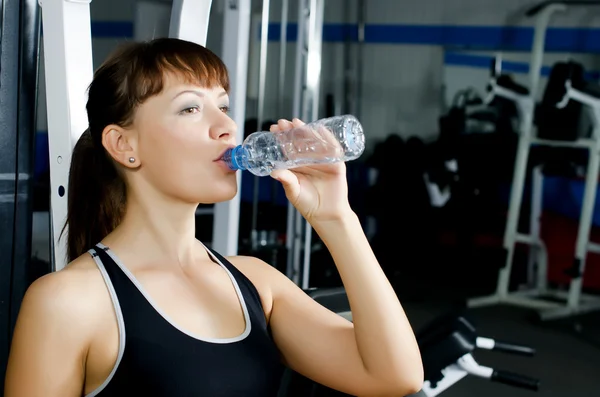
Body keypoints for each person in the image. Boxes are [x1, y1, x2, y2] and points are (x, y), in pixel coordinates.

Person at [4, 38, 423, 397]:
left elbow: (395, 376)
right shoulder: (69, 302)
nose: (226, 126)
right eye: (190, 109)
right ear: (123, 144)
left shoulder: (257, 283)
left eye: (222, 106)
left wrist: (335, 218)